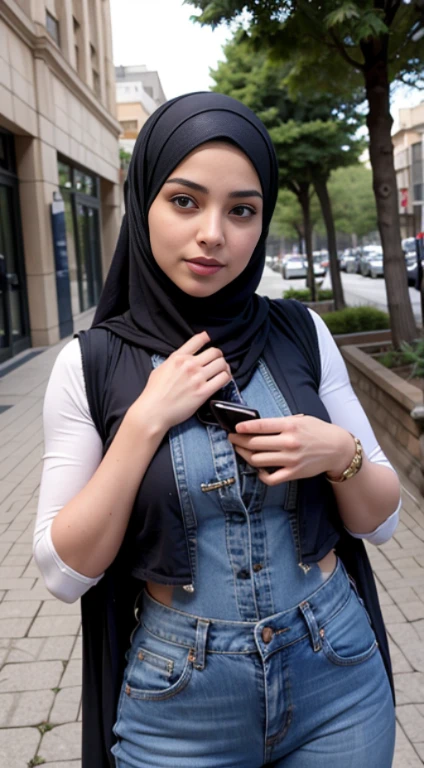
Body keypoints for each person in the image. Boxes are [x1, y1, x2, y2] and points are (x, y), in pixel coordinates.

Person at [34, 92, 400, 768]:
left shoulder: (300, 333)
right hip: (180, 702)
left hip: (337, 677)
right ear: (144, 202)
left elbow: (381, 522)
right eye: (184, 201)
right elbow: (64, 572)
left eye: (241, 210)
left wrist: (338, 452)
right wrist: (145, 420)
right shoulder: (89, 363)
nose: (213, 233)